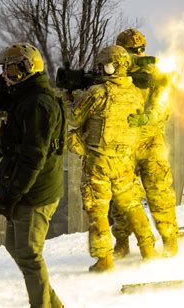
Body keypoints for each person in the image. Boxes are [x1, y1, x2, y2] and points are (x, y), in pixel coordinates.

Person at [65, 45, 157, 272]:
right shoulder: (135, 92)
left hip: (99, 162)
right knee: (133, 205)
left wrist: (69, 97)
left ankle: (104, 260)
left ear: (111, 66)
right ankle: (148, 249)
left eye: (104, 65)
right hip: (124, 161)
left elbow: (74, 119)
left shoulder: (97, 94)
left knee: (97, 210)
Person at [0, 42, 66, 308]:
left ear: (27, 68)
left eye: (11, 69)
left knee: (29, 255)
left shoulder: (38, 103)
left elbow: (34, 156)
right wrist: (5, 80)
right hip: (25, 188)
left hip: (34, 193)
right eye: (4, 70)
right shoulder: (24, 95)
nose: (6, 76)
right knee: (16, 248)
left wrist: (14, 194)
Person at [111, 28, 179, 258]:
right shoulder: (112, 73)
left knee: (159, 192)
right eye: (131, 51)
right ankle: (121, 241)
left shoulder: (156, 73)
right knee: (122, 197)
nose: (136, 54)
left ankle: (169, 239)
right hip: (123, 142)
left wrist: (148, 116)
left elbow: (163, 103)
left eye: (140, 50)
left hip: (150, 140)